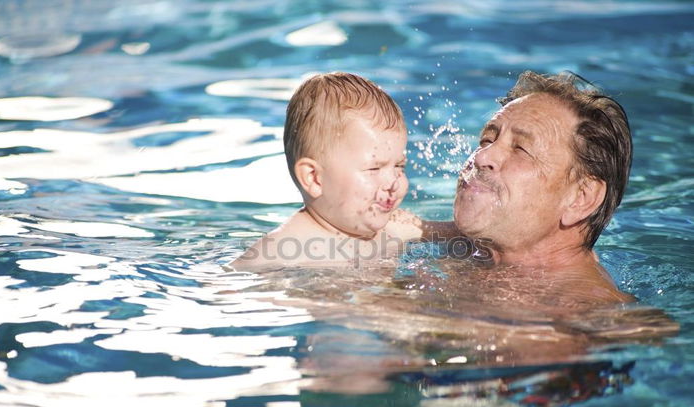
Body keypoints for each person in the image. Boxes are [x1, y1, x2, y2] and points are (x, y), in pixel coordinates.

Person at [396, 71, 636, 305]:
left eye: (521, 149)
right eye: (487, 140)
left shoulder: (576, 315)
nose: (482, 157)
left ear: (581, 198)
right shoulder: (477, 252)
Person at [229, 72, 410, 270]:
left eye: (399, 166)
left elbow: (450, 235)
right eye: (374, 168)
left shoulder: (395, 225)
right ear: (314, 178)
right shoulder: (282, 249)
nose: (394, 182)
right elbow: (224, 288)